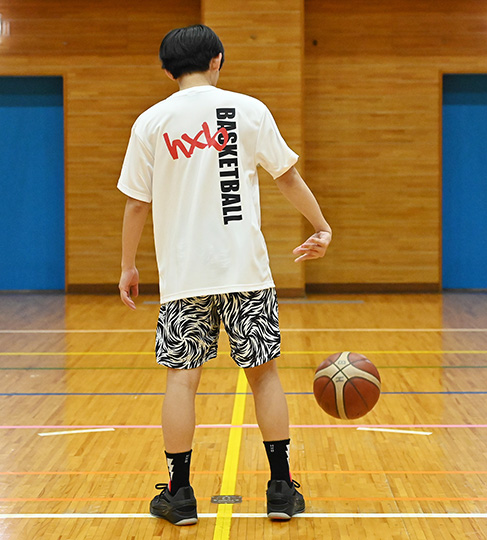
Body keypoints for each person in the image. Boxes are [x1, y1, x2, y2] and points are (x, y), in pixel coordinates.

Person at [117, 24, 331, 526]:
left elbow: (136, 204)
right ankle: (281, 490)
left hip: (184, 277)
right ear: (217, 59)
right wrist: (321, 226)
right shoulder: (249, 110)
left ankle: (180, 495)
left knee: (182, 379)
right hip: (245, 272)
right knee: (264, 376)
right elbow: (287, 177)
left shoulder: (151, 122)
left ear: (167, 70)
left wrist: (128, 265)